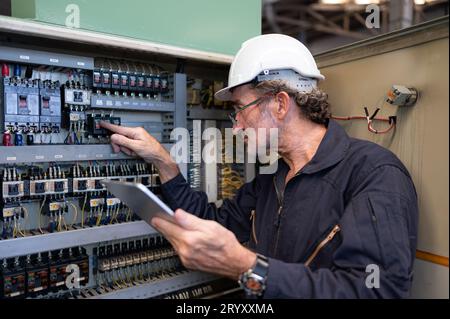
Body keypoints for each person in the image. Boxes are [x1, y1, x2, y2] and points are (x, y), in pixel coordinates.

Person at [100, 34, 418, 298]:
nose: (236, 126)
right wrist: (165, 163)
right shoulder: (270, 181)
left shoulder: (373, 175)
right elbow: (215, 224)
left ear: (280, 104)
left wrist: (247, 265)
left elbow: (377, 292)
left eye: (240, 109)